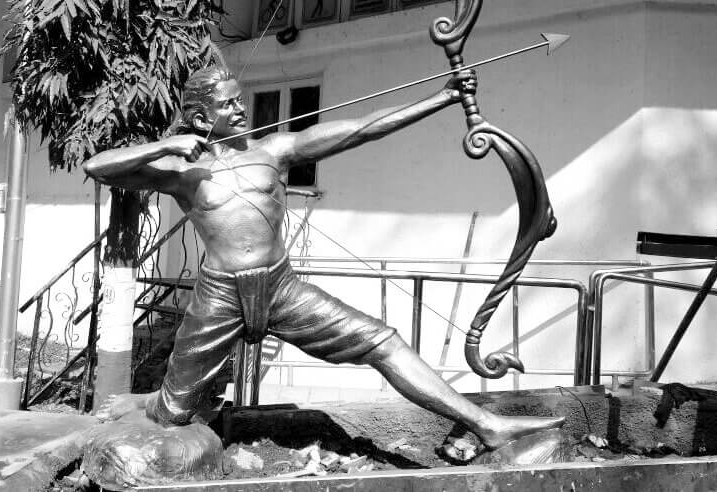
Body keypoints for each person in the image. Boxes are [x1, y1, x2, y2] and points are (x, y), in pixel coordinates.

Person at [83, 65, 563, 458]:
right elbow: (97, 167)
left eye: (239, 99)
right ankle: (155, 399)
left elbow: (361, 129)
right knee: (172, 415)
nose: (240, 108)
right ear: (199, 116)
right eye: (227, 104)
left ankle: (485, 424)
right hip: (220, 296)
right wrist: (166, 145)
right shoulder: (181, 170)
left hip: (281, 288)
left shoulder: (274, 150)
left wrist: (441, 99)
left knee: (382, 342)